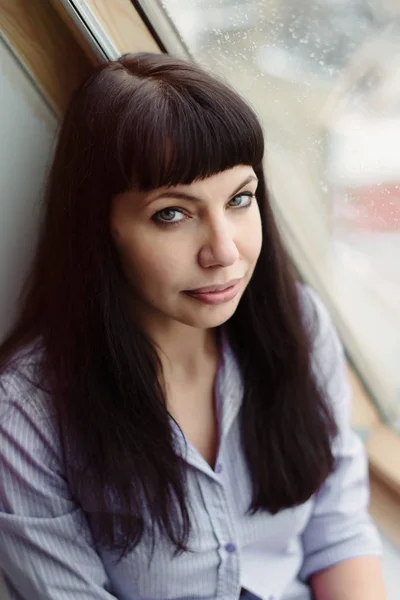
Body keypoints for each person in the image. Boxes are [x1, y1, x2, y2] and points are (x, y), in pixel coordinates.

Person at [0, 52, 385, 600]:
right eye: (172, 214)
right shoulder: (27, 412)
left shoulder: (298, 323)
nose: (224, 251)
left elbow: (340, 533)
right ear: (100, 227)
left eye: (240, 199)